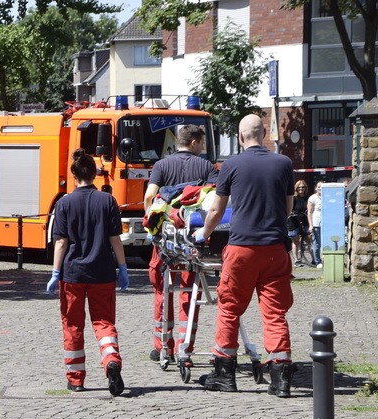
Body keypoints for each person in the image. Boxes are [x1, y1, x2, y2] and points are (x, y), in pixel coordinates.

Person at [194, 114, 295, 397]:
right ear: (263, 134)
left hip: (241, 249)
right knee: (275, 313)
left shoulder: (232, 165)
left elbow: (215, 210)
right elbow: (287, 209)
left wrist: (203, 234)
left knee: (229, 308)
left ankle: (224, 373)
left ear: (240, 137)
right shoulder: (284, 163)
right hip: (275, 249)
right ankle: (281, 376)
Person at [46, 149, 128, 396]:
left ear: (74, 175)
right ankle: (111, 359)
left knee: (73, 325)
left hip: (73, 274)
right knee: (104, 322)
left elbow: (61, 242)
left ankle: (76, 379)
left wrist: (55, 272)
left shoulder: (64, 203)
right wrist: (122, 267)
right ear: (95, 174)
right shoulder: (108, 201)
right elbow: (115, 239)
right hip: (103, 272)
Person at [142, 124, 218, 363]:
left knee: (162, 290)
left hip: (165, 238)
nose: (203, 148)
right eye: (202, 143)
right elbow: (215, 202)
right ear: (194, 142)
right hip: (193, 240)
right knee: (189, 291)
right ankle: (186, 347)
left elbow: (149, 196)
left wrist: (152, 224)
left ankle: (162, 345)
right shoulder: (206, 167)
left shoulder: (162, 166)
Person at [288, 181, 312, 266]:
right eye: (299, 187)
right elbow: (288, 208)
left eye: (302, 187)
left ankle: (314, 259)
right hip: (294, 222)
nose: (301, 189)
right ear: (296, 188)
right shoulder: (293, 198)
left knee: (309, 240)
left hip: (305, 221)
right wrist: (291, 213)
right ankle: (296, 260)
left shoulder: (308, 198)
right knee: (296, 242)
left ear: (306, 188)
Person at [307, 181, 322, 268]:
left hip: (326, 223)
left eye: (322, 186)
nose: (320, 188)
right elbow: (309, 212)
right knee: (317, 243)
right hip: (316, 222)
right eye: (319, 187)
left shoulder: (327, 197)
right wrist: (311, 225)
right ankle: (317, 261)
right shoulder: (312, 198)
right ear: (315, 188)